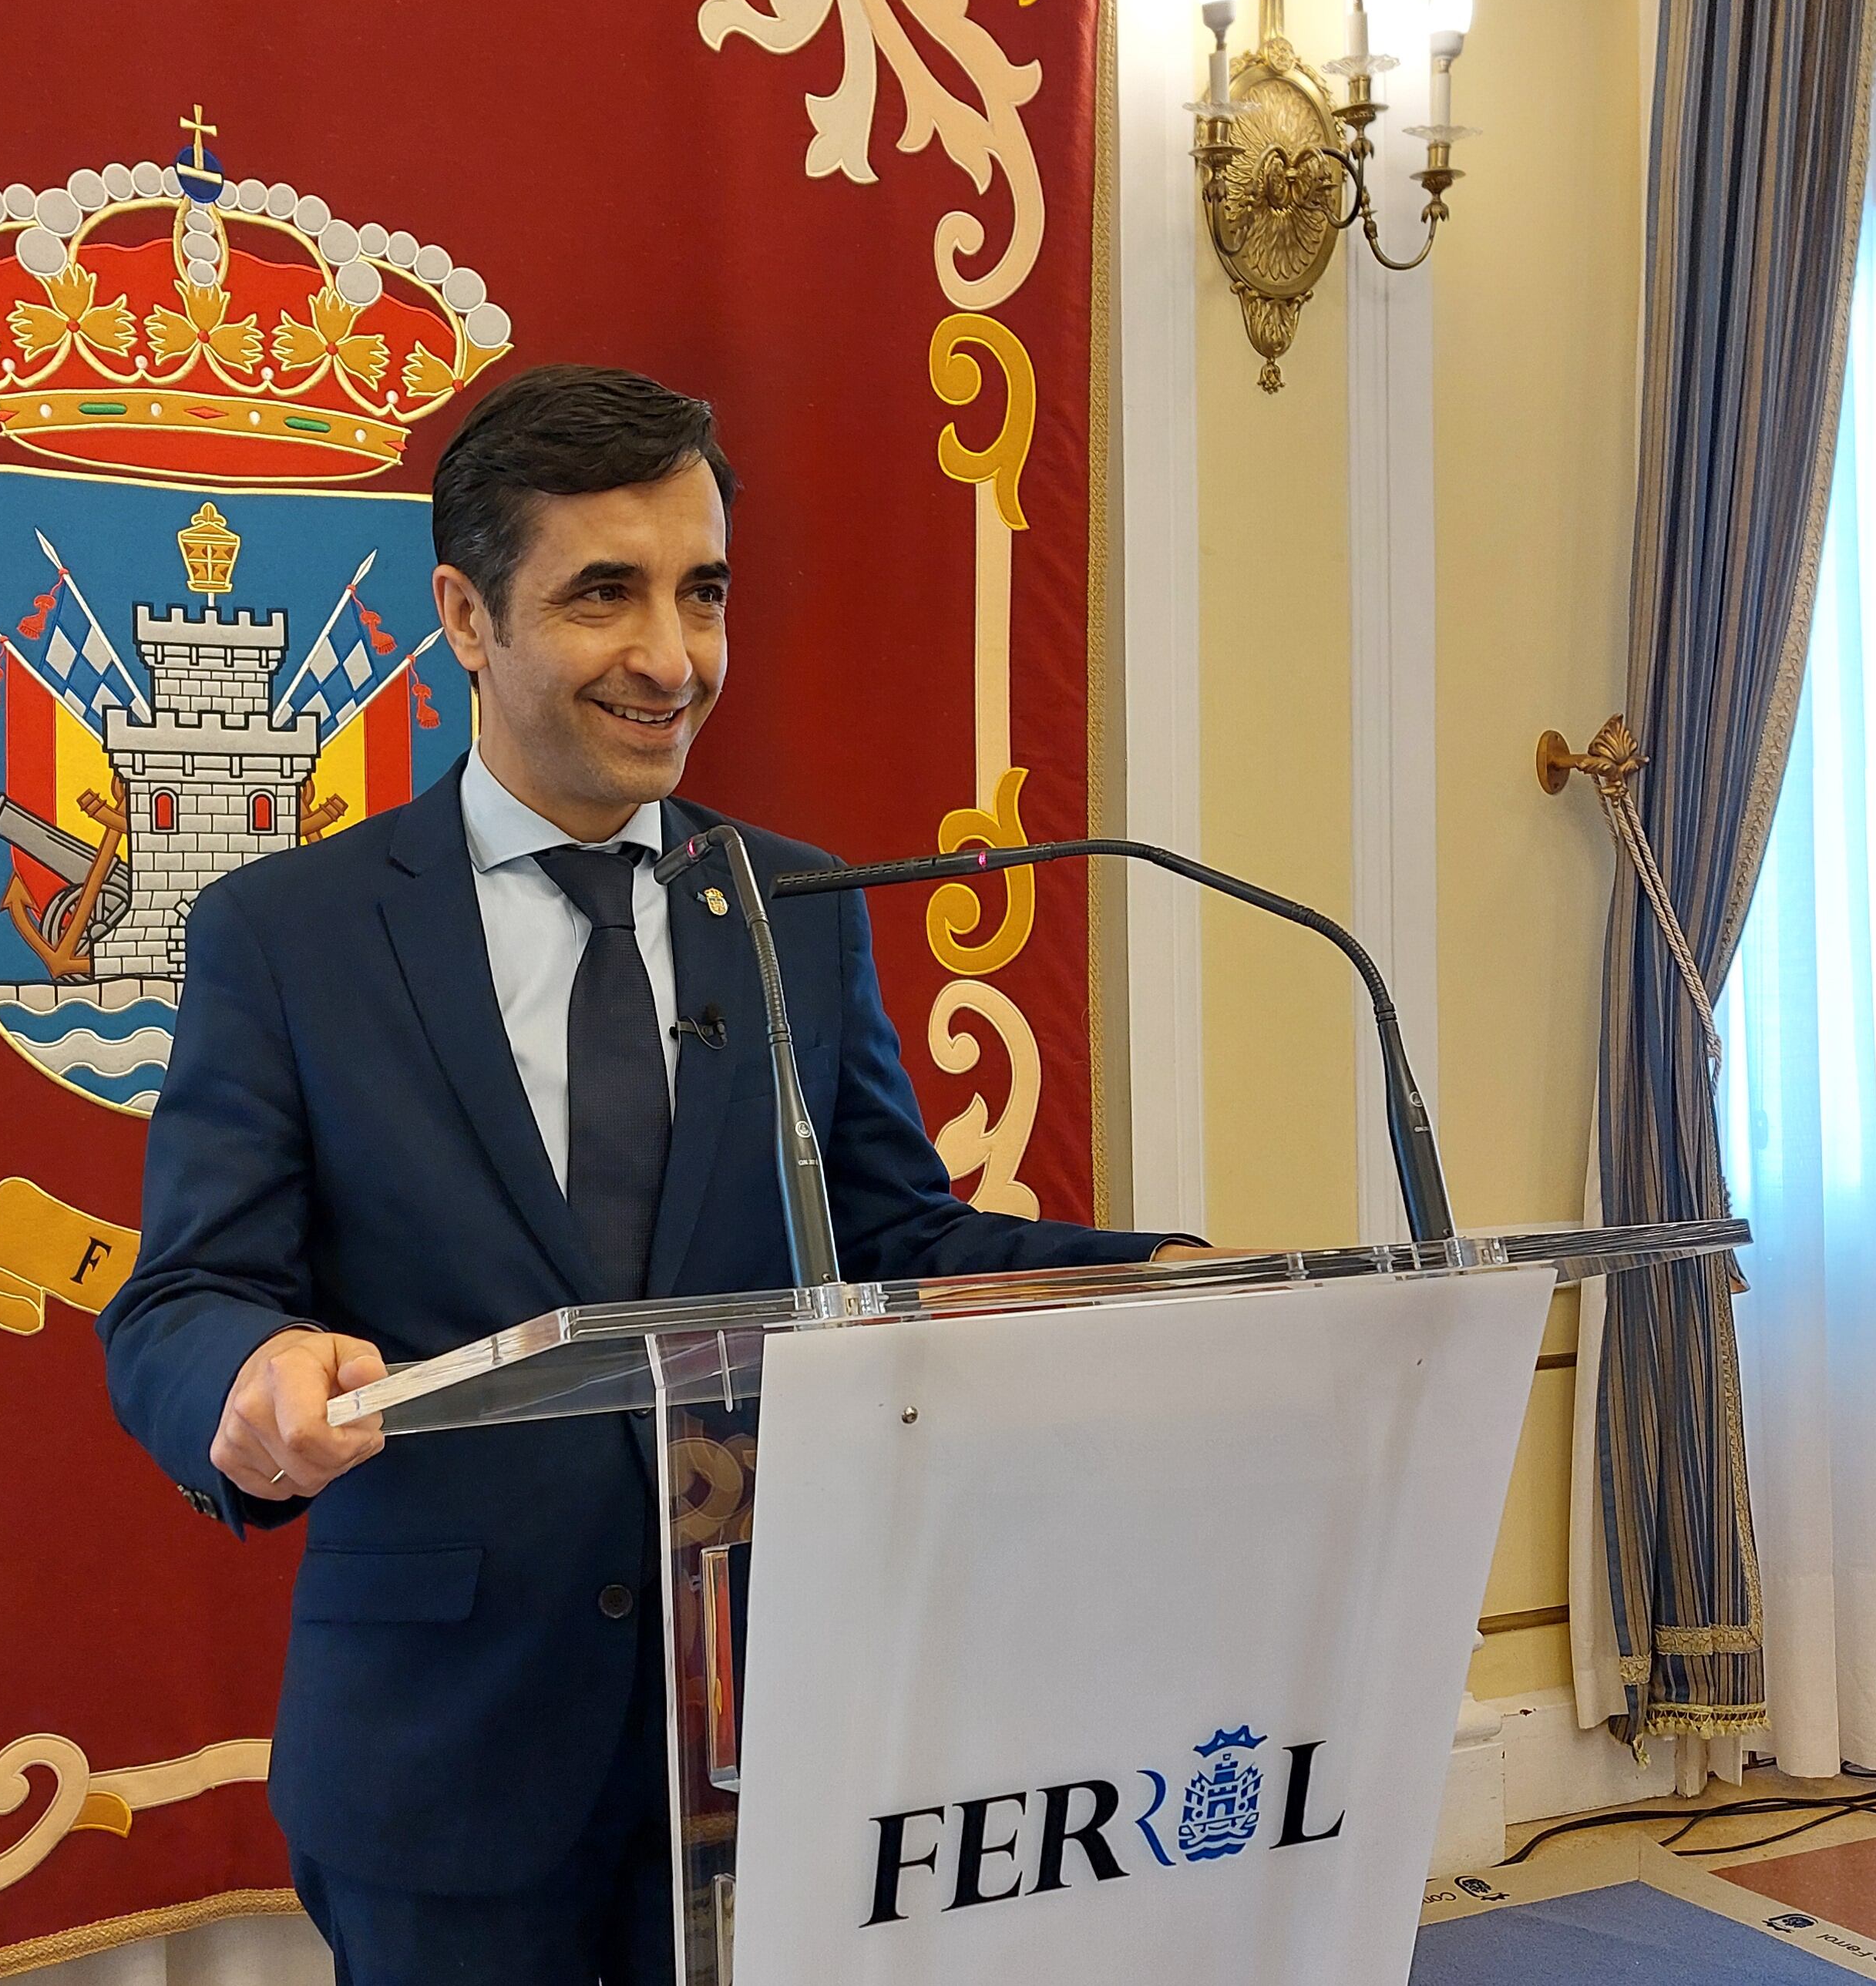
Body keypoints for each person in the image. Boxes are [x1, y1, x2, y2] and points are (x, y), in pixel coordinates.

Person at [96, 364, 1195, 1984]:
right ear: (466, 616)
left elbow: (888, 1237)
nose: (671, 659)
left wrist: (1147, 1287)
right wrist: (251, 1375)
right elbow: (180, 1297)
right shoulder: (288, 935)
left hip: (780, 1726)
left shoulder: (799, 908)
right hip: (444, 1754)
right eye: (604, 593)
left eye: (702, 593)